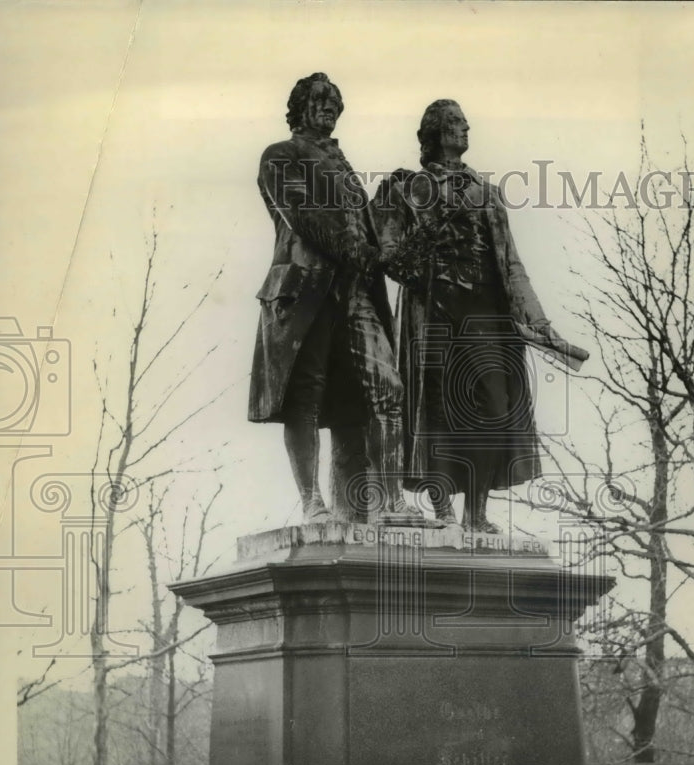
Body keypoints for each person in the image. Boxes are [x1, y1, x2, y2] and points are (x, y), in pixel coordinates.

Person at [373, 99, 589, 532]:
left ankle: (477, 512)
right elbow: (389, 254)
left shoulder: (485, 192)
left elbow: (511, 262)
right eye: (455, 122)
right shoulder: (405, 188)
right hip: (435, 309)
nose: (466, 127)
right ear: (434, 132)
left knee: (492, 408)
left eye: (464, 121)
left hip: (487, 312)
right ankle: (443, 511)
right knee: (435, 408)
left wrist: (540, 323)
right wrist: (420, 264)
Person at [249, 72, 418, 524]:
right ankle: (312, 504)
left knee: (387, 389)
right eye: (320, 99)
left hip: (355, 289)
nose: (329, 107)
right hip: (306, 289)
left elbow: (362, 228)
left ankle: (391, 504)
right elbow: (303, 214)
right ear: (299, 106)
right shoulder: (280, 155)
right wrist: (355, 250)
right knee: (306, 395)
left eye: (335, 101)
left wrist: (389, 196)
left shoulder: (343, 166)